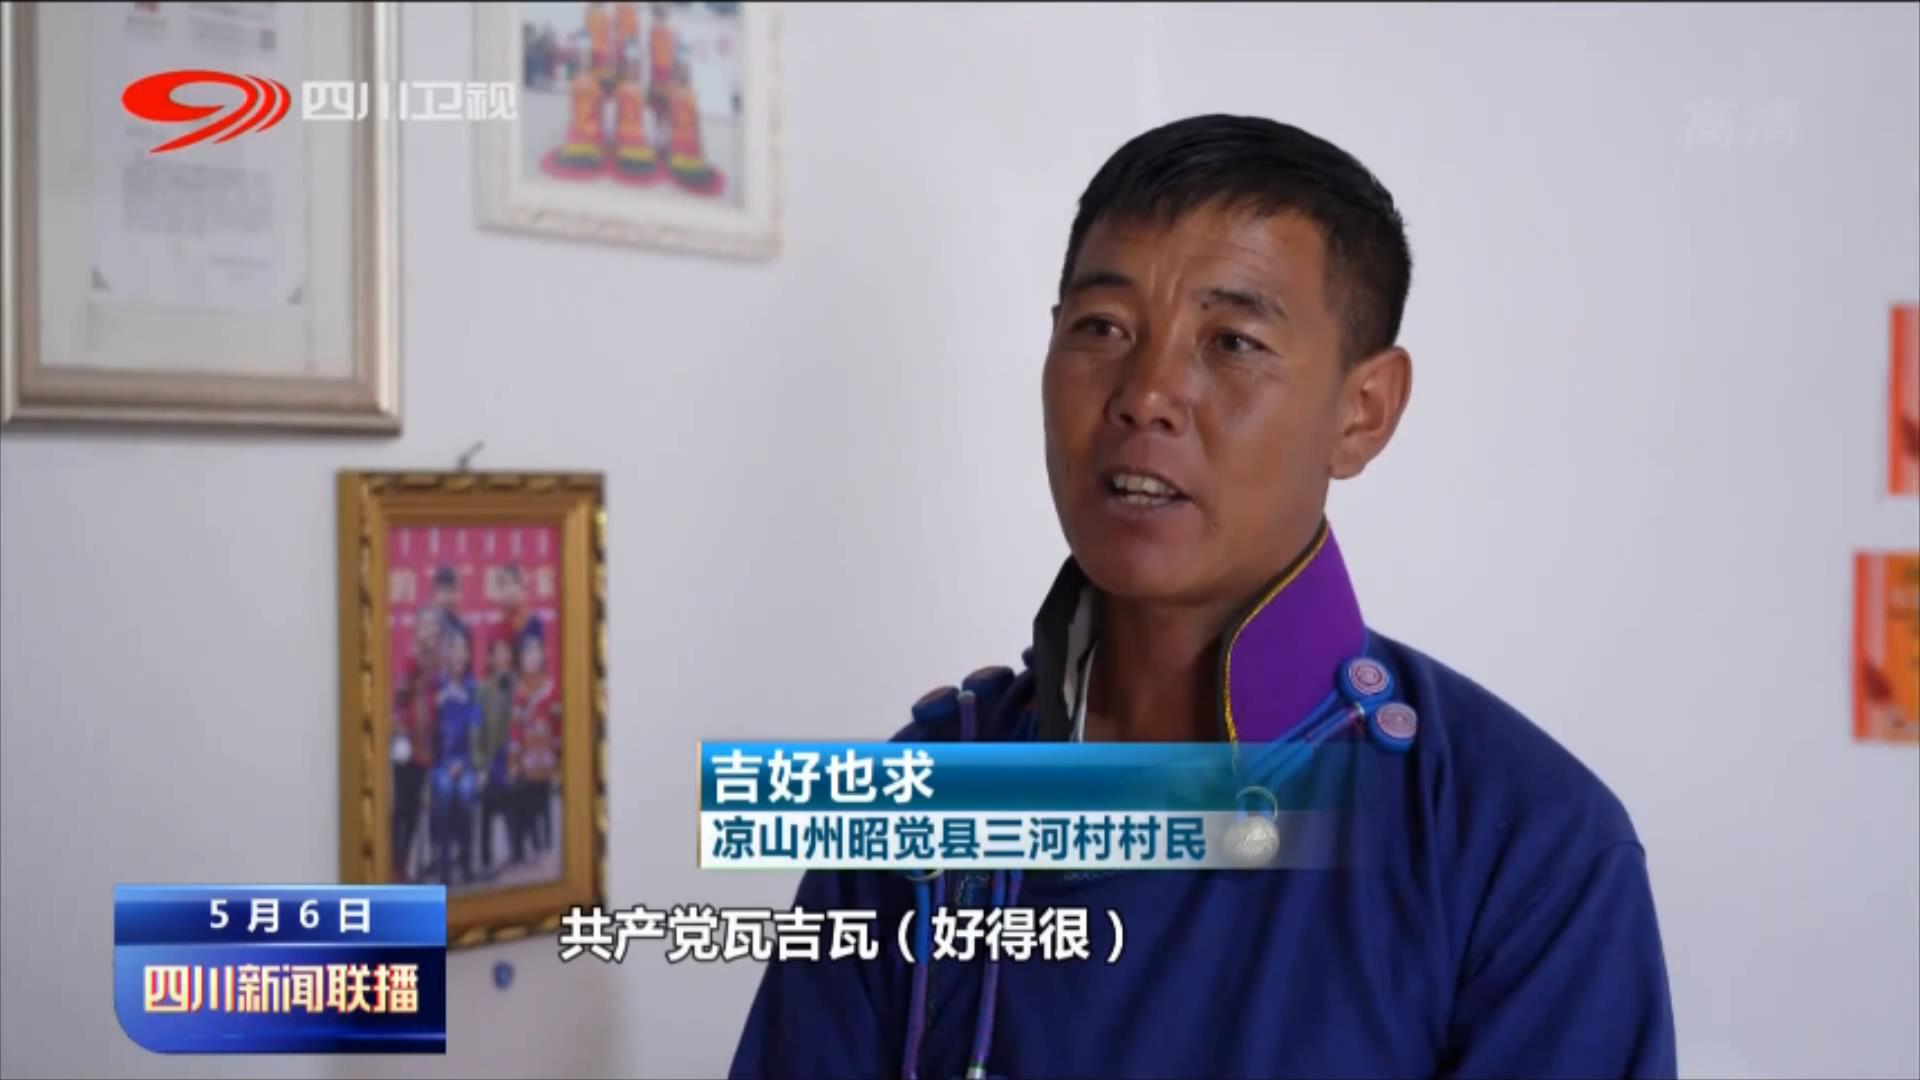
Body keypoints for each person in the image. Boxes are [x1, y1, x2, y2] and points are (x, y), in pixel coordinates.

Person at [728, 115, 1677, 1079]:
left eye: (1232, 341)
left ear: (1363, 412)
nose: (1146, 394)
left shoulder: (1523, 843)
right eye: (1102, 328)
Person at [389, 606, 441, 881]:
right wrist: (401, 738)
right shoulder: (410, 661)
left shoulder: (438, 664)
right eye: (425, 626)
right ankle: (395, 865)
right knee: (403, 809)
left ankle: (414, 864)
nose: (429, 632)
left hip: (428, 747)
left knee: (419, 810)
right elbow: (398, 703)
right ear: (417, 630)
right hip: (407, 748)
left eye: (434, 627)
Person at [429, 626, 482, 885]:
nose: (459, 655)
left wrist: (466, 763)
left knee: (465, 792)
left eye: (463, 650)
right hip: (440, 763)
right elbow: (429, 730)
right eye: (454, 649)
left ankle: (466, 861)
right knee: (444, 792)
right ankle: (443, 864)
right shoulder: (436, 686)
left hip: (466, 762)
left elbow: (476, 730)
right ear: (446, 655)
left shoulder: (473, 689)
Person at [510, 633, 561, 858]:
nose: (531, 658)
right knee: (522, 795)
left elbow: (557, 726)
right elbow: (514, 728)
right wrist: (514, 760)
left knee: (541, 796)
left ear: (542, 656)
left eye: (534, 652)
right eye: (526, 653)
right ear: (520, 659)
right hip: (525, 758)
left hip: (546, 758)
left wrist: (559, 761)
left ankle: (543, 844)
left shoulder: (550, 689)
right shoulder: (518, 691)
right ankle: (526, 845)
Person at [475, 636, 518, 873]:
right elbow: (477, 731)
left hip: (513, 758)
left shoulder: (517, 686)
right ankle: (485, 858)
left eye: (506, 651)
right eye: (497, 652)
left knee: (513, 796)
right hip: (491, 761)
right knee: (488, 803)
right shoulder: (483, 690)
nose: (502, 657)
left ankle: (516, 854)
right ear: (490, 658)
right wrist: (481, 764)